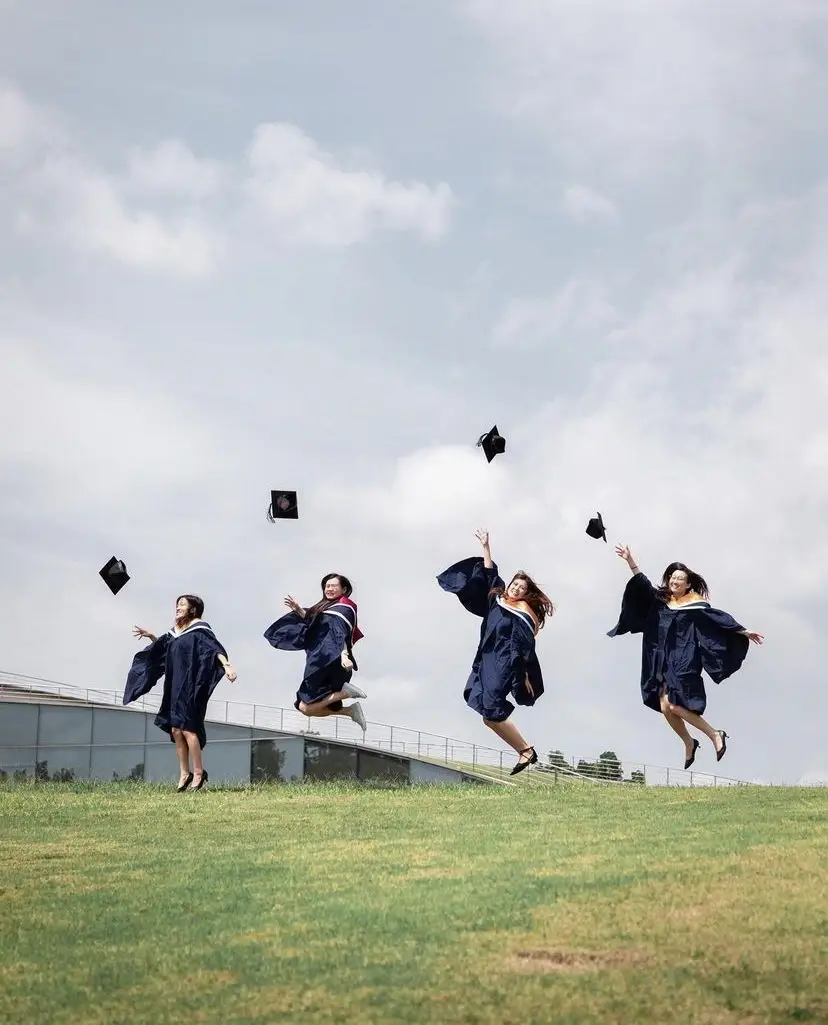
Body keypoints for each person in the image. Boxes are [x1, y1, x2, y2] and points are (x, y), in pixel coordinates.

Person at [611, 545, 764, 767]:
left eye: (680, 579)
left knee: (673, 705)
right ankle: (689, 742)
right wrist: (630, 561)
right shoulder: (661, 600)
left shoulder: (695, 605)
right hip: (660, 659)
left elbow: (717, 619)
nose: (675, 582)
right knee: (665, 707)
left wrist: (742, 631)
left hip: (683, 659)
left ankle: (713, 734)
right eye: (672, 577)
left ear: (688, 584)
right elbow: (642, 585)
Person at [437, 529, 554, 776]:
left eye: (521, 588)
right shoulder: (497, 599)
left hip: (503, 664)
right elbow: (490, 574)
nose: (516, 589)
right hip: (484, 660)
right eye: (515, 584)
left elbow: (524, 649)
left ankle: (527, 750)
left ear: (526, 593)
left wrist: (523, 675)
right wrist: (486, 547)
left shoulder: (523, 615)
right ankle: (524, 750)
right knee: (486, 714)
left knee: (491, 708)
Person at [124, 595, 236, 791]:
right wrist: (152, 637)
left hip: (191, 685)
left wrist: (227, 666)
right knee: (175, 730)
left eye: (182, 604)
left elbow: (214, 649)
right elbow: (167, 650)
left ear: (193, 609)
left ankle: (199, 772)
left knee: (188, 728)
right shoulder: (174, 633)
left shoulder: (200, 630)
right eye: (177, 604)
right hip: (174, 685)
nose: (178, 607)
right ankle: (185, 773)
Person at [264, 573, 367, 732]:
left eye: (333, 586)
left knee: (305, 705)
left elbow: (342, 634)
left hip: (333, 660)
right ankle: (349, 710)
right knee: (304, 707)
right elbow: (316, 626)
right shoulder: (325, 607)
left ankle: (346, 694)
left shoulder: (346, 607)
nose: (329, 589)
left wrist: (345, 656)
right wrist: (298, 610)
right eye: (327, 586)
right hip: (317, 658)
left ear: (344, 589)